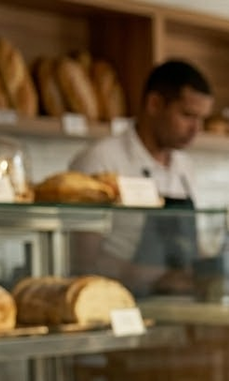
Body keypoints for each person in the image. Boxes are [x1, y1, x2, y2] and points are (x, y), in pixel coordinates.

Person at [69, 59, 214, 295]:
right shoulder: (100, 160)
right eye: (187, 115)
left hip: (179, 309)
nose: (196, 129)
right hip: (117, 304)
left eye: (202, 119)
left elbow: (194, 248)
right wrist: (157, 278)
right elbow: (83, 259)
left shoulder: (185, 167)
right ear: (155, 104)